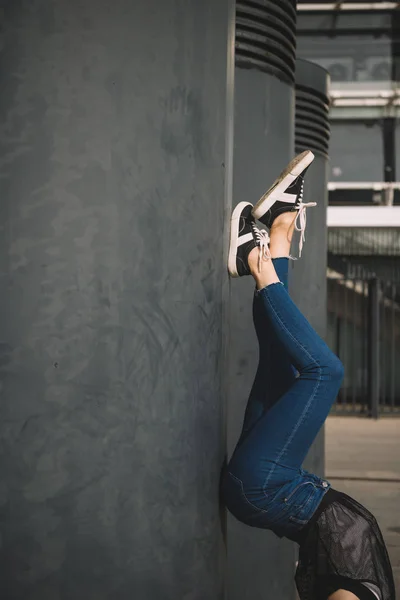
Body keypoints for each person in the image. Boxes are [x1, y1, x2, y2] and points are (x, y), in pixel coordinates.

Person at [221, 151, 396, 600]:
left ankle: (260, 267)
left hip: (268, 485)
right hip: (272, 482)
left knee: (324, 371)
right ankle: (275, 238)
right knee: (280, 364)